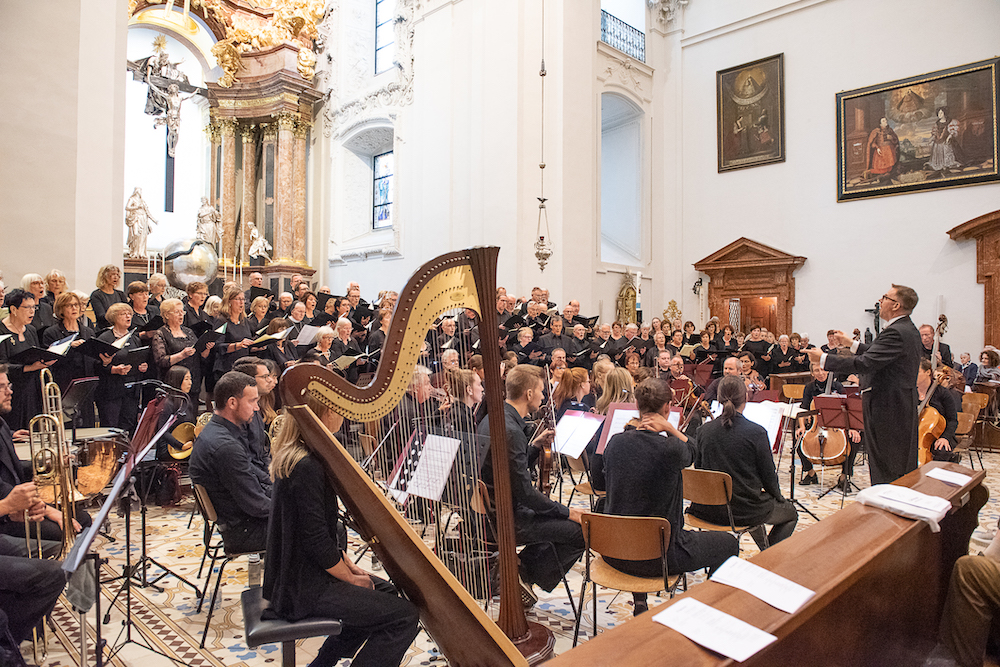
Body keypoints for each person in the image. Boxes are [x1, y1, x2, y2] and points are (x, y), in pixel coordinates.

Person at [263, 395, 420, 667]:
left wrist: (347, 566)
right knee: (404, 616)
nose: (344, 414)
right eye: (338, 408)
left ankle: (322, 663)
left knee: (385, 593)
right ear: (323, 413)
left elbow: (316, 531)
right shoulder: (306, 466)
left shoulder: (297, 454)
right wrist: (347, 576)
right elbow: (315, 540)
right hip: (301, 587)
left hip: (298, 573)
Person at [602, 378, 739, 615]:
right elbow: (693, 450)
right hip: (661, 556)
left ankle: (640, 602)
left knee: (635, 516)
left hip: (615, 552)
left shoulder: (614, 443)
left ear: (637, 404)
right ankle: (710, 610)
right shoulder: (671, 449)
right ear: (668, 407)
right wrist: (671, 429)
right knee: (728, 543)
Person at [476, 364, 584, 606]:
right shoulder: (511, 430)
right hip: (508, 519)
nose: (544, 396)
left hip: (497, 510)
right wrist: (568, 511)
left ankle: (520, 573)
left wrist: (534, 446)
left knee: (557, 523)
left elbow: (509, 468)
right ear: (528, 394)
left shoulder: (494, 417)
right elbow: (525, 492)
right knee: (580, 531)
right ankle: (523, 574)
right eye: (541, 391)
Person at [807, 284, 923, 485]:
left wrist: (824, 359)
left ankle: (887, 505)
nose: (880, 301)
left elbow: (866, 363)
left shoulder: (896, 331)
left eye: (885, 297)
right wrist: (851, 344)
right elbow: (877, 353)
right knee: (894, 460)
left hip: (888, 405)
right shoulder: (906, 328)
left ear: (896, 305)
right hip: (896, 403)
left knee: (887, 462)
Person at [688, 376, 797, 550]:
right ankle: (767, 556)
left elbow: (700, 469)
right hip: (742, 511)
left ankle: (765, 549)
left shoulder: (703, 431)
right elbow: (768, 477)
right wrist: (778, 498)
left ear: (719, 399)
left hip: (706, 509)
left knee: (755, 504)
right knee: (790, 513)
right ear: (745, 397)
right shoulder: (756, 432)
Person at [0, 364, 91, 544]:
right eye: (2, 387)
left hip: (19, 502)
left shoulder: (2, 424)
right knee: (61, 529)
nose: (9, 392)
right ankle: (55, 568)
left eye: (8, 386)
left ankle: (69, 567)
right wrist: (49, 510)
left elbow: (15, 469)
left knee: (83, 518)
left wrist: (51, 464)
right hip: (6, 513)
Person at [189, 371, 270, 554]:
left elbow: (253, 477)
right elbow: (256, 505)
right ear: (232, 402)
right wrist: (294, 505)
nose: (257, 408)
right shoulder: (225, 446)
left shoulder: (217, 431)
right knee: (327, 528)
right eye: (252, 401)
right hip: (244, 532)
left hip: (241, 522)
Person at [796, 362, 861, 488]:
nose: (820, 373)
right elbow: (804, 409)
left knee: (855, 440)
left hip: (837, 425)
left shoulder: (837, 385)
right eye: (816, 371)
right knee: (798, 441)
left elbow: (847, 408)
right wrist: (802, 427)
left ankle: (844, 476)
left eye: (822, 370)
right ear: (812, 373)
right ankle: (810, 473)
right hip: (815, 424)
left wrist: (852, 428)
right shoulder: (809, 387)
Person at [0, 290, 55, 431]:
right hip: (11, 391)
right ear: (14, 309)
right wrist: (29, 368)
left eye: (34, 307)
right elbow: (2, 366)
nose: (32, 312)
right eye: (28, 307)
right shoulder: (1, 330)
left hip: (31, 389)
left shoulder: (30, 330)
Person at [43, 291, 97, 427]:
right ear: (61, 309)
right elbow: (50, 360)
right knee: (66, 423)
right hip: (64, 382)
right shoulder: (52, 332)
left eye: (76, 305)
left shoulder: (87, 331)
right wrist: (69, 346)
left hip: (85, 383)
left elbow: (93, 357)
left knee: (87, 423)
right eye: (69, 305)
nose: (74, 308)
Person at [95, 302, 151, 433]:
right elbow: (96, 364)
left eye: (130, 314)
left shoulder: (134, 337)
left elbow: (138, 358)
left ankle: (128, 453)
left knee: (129, 424)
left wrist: (142, 366)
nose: (128, 316)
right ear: (114, 317)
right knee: (111, 426)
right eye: (123, 314)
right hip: (111, 390)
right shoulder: (106, 337)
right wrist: (113, 369)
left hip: (131, 391)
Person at [916, 359, 961, 463]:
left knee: (941, 451)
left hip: (940, 435)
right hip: (915, 435)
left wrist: (945, 438)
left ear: (928, 372)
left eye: (917, 372)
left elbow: (952, 420)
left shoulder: (943, 393)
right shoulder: (910, 392)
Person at [865, 117, 899, 181]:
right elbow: (872, 144)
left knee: (889, 168)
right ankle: (870, 172)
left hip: (890, 151)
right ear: (880, 124)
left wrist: (891, 138)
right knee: (882, 169)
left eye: (886, 120)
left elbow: (895, 141)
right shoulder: (876, 131)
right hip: (881, 151)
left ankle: (887, 175)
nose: (885, 121)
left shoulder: (890, 130)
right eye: (883, 121)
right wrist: (877, 148)